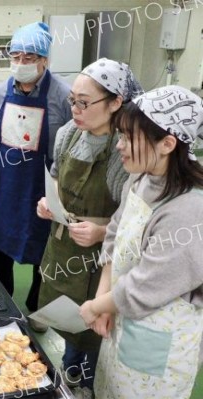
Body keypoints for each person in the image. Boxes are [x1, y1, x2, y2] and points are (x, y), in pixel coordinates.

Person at [79, 85, 203, 398]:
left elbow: (145, 286)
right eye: (119, 135)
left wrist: (95, 306)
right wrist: (104, 298)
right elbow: (114, 234)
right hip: (121, 316)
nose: (119, 145)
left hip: (158, 341)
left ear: (167, 143)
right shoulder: (142, 177)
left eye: (128, 137)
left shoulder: (188, 209)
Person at [35, 58, 142, 398]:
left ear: (115, 103)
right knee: (67, 321)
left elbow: (136, 216)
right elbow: (55, 180)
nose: (76, 110)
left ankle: (90, 384)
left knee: (95, 331)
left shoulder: (124, 150)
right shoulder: (68, 135)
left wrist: (100, 231)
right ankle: (71, 376)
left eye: (85, 102)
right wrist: (48, 203)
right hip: (63, 249)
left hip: (102, 263)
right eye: (73, 101)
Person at [0, 22, 72, 320]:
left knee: (44, 245)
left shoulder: (64, 96)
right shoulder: (0, 93)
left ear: (44, 61)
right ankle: (1, 304)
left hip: (46, 182)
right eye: (16, 57)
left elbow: (72, 140)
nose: (20, 64)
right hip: (8, 181)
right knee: (0, 243)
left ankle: (38, 307)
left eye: (28, 58)